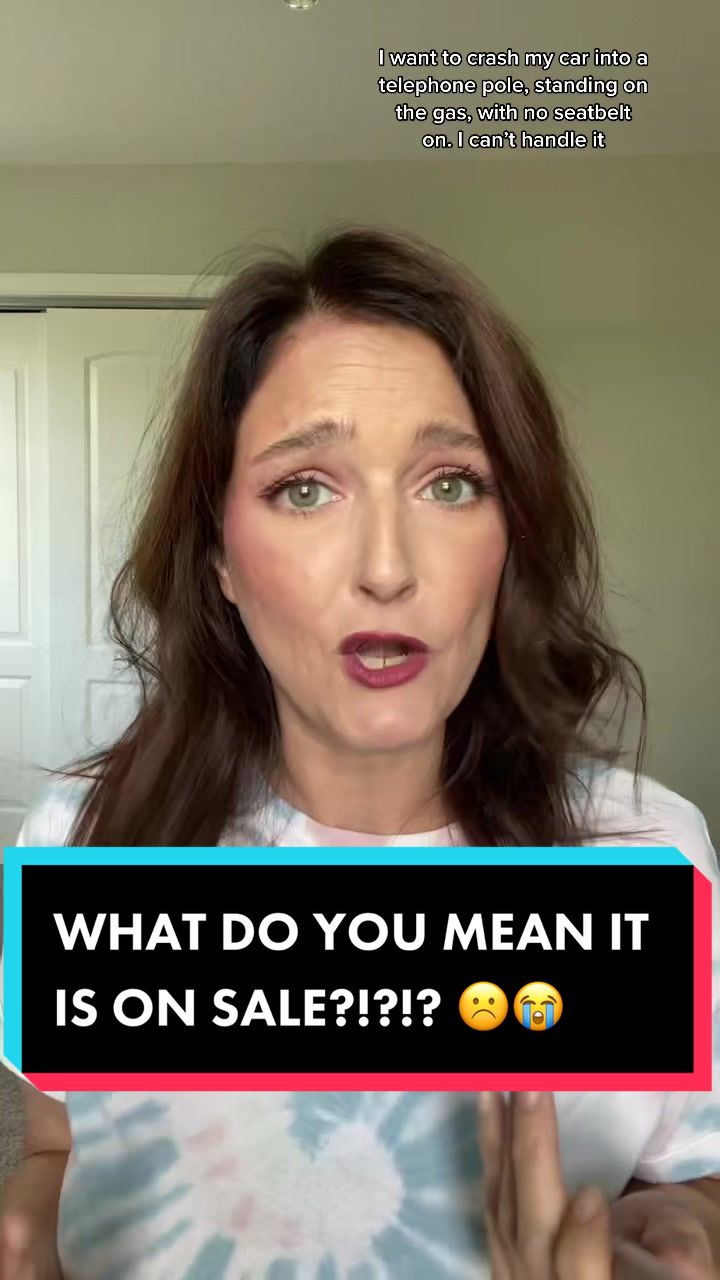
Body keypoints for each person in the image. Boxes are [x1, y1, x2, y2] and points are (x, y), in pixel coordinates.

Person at [2, 225, 719, 1278]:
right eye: (306, 487)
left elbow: (691, 1173)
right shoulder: (86, 835)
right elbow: (59, 1141)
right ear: (220, 559)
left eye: (451, 483)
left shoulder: (648, 855)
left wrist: (684, 1228)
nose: (387, 567)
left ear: (511, 538)